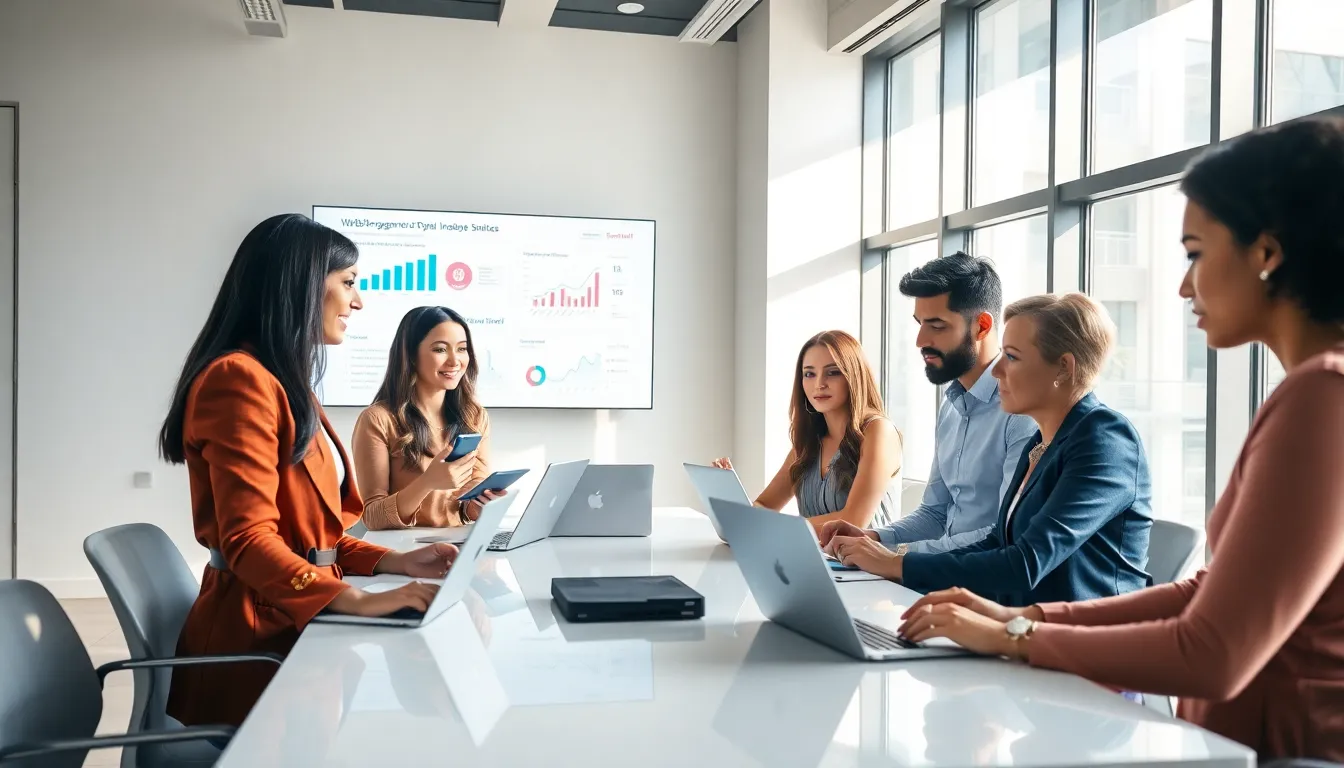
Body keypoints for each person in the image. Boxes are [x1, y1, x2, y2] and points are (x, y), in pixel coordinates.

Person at [894, 117, 1344, 761]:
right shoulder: (1311, 393)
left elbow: (1214, 653)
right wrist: (1024, 620)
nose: (1185, 285)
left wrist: (1015, 633)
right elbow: (1207, 591)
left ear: (1266, 254)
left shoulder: (1322, 399)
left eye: (1195, 253)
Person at [157, 214, 481, 727]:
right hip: (257, 643)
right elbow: (247, 540)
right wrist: (351, 598)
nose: (358, 301)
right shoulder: (238, 380)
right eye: (348, 283)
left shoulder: (284, 383)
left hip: (290, 624)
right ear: (303, 285)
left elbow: (314, 538)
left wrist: (397, 565)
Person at [825, 293, 1153, 607]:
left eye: (1011, 357)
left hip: (1084, 645)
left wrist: (896, 564)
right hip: (1019, 629)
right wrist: (882, 549)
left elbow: (1025, 562)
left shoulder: (1106, 439)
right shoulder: (1039, 443)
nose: (996, 371)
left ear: (1064, 368)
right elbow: (998, 542)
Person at [854, 252, 1038, 554]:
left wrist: (898, 557)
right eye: (919, 323)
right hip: (941, 578)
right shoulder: (951, 406)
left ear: (981, 326)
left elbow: (1005, 531)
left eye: (936, 326)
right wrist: (872, 538)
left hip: (984, 589)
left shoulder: (1023, 413)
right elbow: (935, 513)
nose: (920, 340)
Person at [713, 330, 903, 532]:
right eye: (809, 374)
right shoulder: (808, 442)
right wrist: (732, 497)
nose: (819, 384)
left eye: (833, 372)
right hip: (813, 559)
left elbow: (853, 521)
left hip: (865, 563)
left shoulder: (878, 431)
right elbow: (765, 506)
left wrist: (773, 526)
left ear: (854, 376)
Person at [352, 305, 498, 529]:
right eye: (440, 350)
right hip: (406, 553)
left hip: (459, 545)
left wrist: (479, 504)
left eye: (462, 349)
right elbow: (372, 517)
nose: (455, 361)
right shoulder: (378, 420)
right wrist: (428, 482)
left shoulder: (475, 416)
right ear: (410, 355)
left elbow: (467, 507)